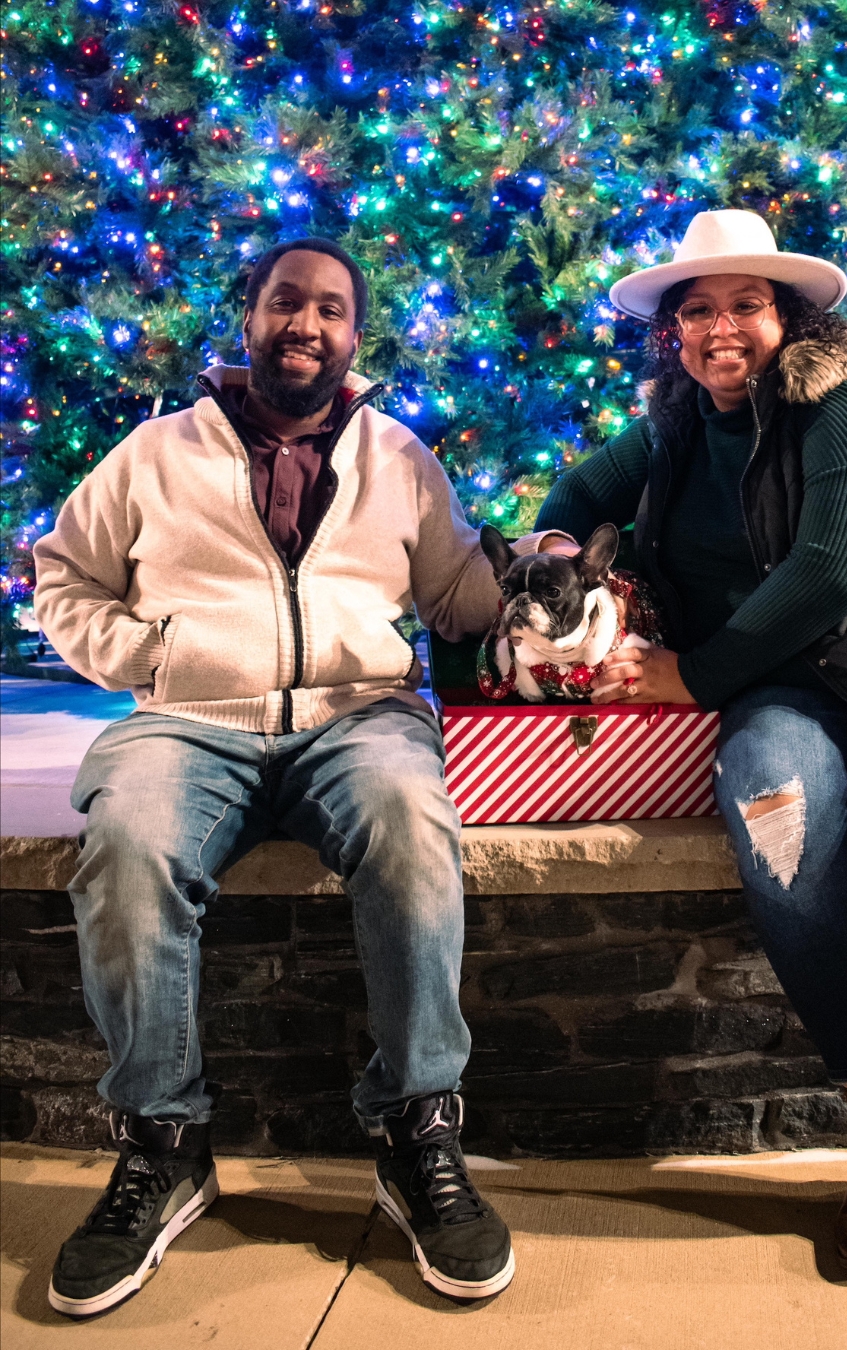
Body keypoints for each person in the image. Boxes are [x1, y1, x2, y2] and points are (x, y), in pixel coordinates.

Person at [33, 237, 569, 1316]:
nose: (305, 325)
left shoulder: (400, 455)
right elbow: (65, 575)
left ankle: (419, 1130)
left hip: (357, 716)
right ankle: (164, 1142)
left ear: (353, 336)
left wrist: (525, 568)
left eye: (330, 310)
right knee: (129, 846)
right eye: (287, 303)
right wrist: (154, 659)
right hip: (186, 721)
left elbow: (458, 600)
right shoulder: (153, 453)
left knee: (413, 827)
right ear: (250, 315)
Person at [535, 209, 847, 1275]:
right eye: (697, 310)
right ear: (671, 333)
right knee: (778, 820)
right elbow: (578, 495)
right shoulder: (677, 430)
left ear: (793, 317)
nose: (721, 328)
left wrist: (694, 674)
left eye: (746, 305)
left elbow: (830, 571)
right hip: (791, 682)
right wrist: (557, 550)